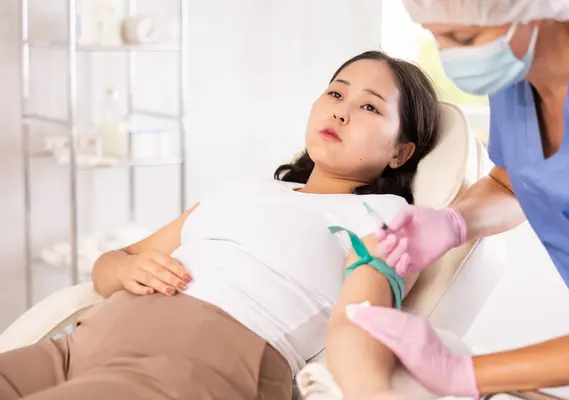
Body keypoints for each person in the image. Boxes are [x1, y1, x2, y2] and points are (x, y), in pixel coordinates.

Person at [0, 50, 441, 400]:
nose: (342, 112)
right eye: (336, 94)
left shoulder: (387, 216)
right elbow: (113, 264)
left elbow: (371, 317)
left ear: (400, 153)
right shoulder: (247, 192)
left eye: (369, 106)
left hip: (191, 368)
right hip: (77, 348)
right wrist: (126, 270)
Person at [346, 0, 569, 398]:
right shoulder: (516, 73)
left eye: (464, 38)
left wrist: (466, 374)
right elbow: (516, 182)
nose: (451, 57)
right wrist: (452, 221)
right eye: (434, 34)